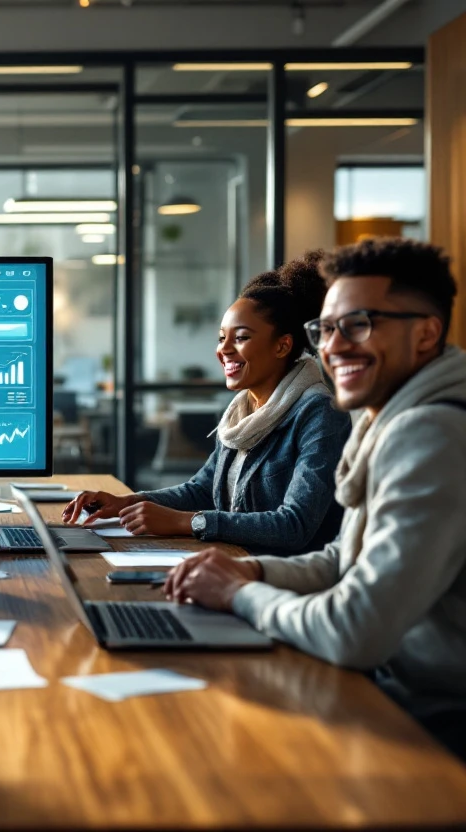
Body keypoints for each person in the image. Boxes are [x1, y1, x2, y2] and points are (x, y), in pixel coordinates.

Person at [165, 237, 466, 758]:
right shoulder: (389, 419)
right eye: (325, 329)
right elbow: (343, 556)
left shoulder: (430, 433)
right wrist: (253, 573)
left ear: (426, 333)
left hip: (432, 719)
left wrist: (237, 595)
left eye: (359, 325)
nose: (334, 346)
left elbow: (354, 631)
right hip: (398, 691)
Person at [62, 253, 351, 554]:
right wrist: (125, 502)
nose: (223, 349)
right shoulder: (243, 412)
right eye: (221, 338)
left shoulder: (320, 413)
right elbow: (201, 489)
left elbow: (294, 526)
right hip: (232, 562)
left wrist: (187, 522)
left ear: (282, 345)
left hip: (283, 582)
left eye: (240, 338)